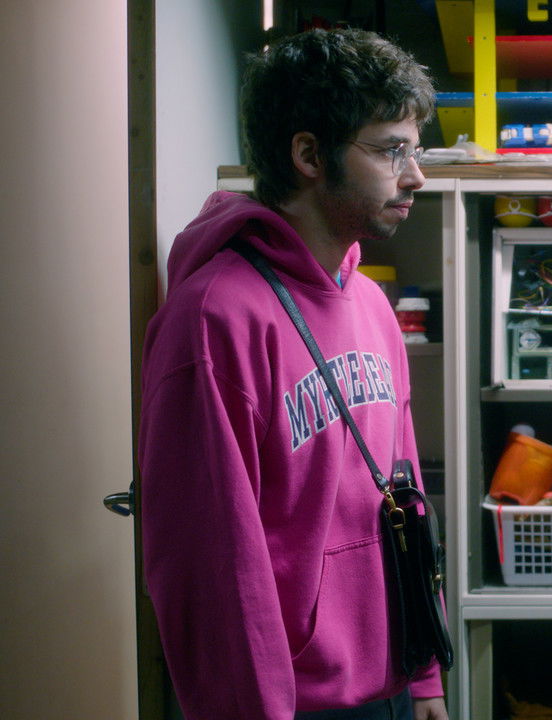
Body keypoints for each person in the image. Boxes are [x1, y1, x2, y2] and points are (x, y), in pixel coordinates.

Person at [137, 28, 448, 720]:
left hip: (392, 682)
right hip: (292, 702)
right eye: (391, 150)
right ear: (309, 155)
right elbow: (212, 564)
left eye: (415, 151)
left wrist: (425, 671)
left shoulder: (371, 302)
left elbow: (405, 494)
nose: (416, 176)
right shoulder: (214, 317)